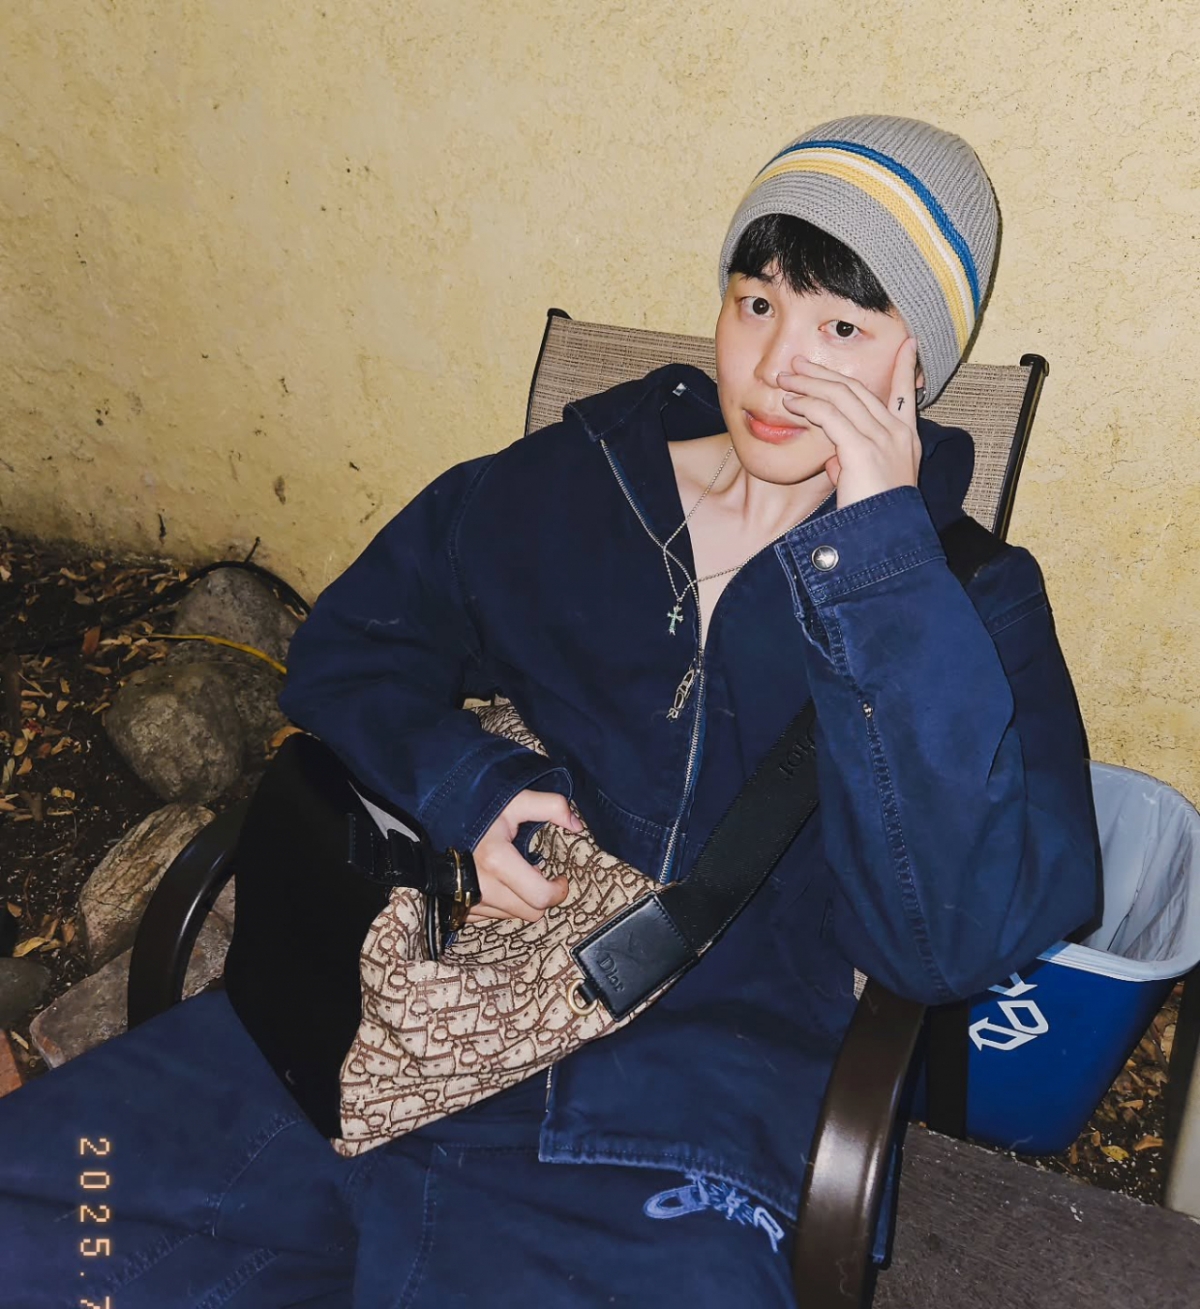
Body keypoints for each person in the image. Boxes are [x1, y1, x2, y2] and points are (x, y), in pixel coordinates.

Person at [0, 114, 1098, 1307]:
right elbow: (352, 644)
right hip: (370, 1035)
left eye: (842, 327)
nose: (778, 366)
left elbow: (945, 942)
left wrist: (878, 565)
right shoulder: (583, 477)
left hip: (663, 1134)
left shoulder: (970, 602)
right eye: (756, 303)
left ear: (915, 369)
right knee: (46, 1228)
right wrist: (466, 787)